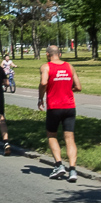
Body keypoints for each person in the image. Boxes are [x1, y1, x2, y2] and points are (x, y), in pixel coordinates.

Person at [38, 44, 82, 183]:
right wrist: (67, 89)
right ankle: (73, 170)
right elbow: (78, 87)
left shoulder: (46, 67)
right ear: (60, 54)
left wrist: (40, 98)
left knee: (51, 135)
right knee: (70, 138)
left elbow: (44, 82)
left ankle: (59, 165)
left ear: (47, 54)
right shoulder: (70, 67)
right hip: (69, 107)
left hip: (54, 107)